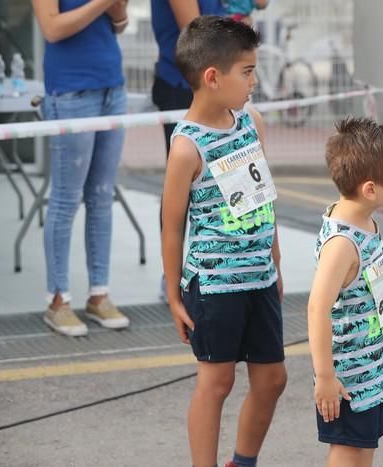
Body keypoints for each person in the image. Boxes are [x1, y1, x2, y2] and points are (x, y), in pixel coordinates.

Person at [161, 16, 286, 467]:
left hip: (259, 279)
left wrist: (274, 261)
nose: (255, 81)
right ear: (213, 77)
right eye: (248, 72)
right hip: (214, 288)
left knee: (272, 379)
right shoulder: (186, 147)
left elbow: (262, 197)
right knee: (216, 383)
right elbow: (171, 225)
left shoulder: (251, 121)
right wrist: (174, 295)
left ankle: (243, 462)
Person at [308, 117, 383, 467]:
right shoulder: (342, 243)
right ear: (371, 188)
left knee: (363, 447)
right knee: (348, 451)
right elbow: (316, 308)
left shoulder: (363, 219)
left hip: (370, 368)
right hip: (348, 377)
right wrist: (325, 376)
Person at [33, 0, 131, 337]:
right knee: (65, 199)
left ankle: (98, 294)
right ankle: (57, 300)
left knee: (102, 197)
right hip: (71, 91)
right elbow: (52, 28)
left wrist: (116, 10)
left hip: (112, 87)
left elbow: (120, 23)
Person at [151, 0, 228, 302]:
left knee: (221, 178)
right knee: (182, 184)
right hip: (182, 86)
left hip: (216, 82)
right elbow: (201, 35)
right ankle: (171, 276)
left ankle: (223, 259)